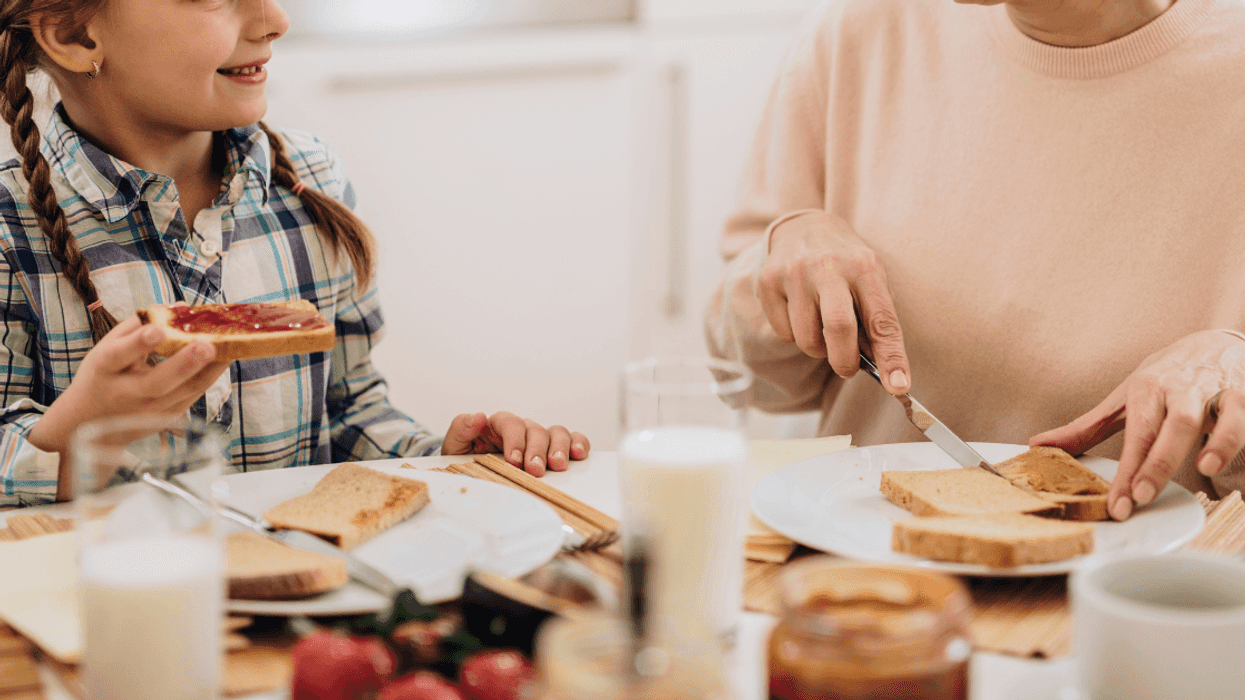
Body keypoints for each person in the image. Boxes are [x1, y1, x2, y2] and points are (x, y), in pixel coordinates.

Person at [0, 0, 589, 507]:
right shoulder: (10, 223)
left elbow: (349, 410)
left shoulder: (312, 180)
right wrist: (83, 429)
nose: (276, 21)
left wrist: (447, 458)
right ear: (76, 36)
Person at [707, 0, 1245, 521]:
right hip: (859, 584)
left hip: (1145, 600)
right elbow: (745, 374)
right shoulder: (864, 26)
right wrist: (784, 260)